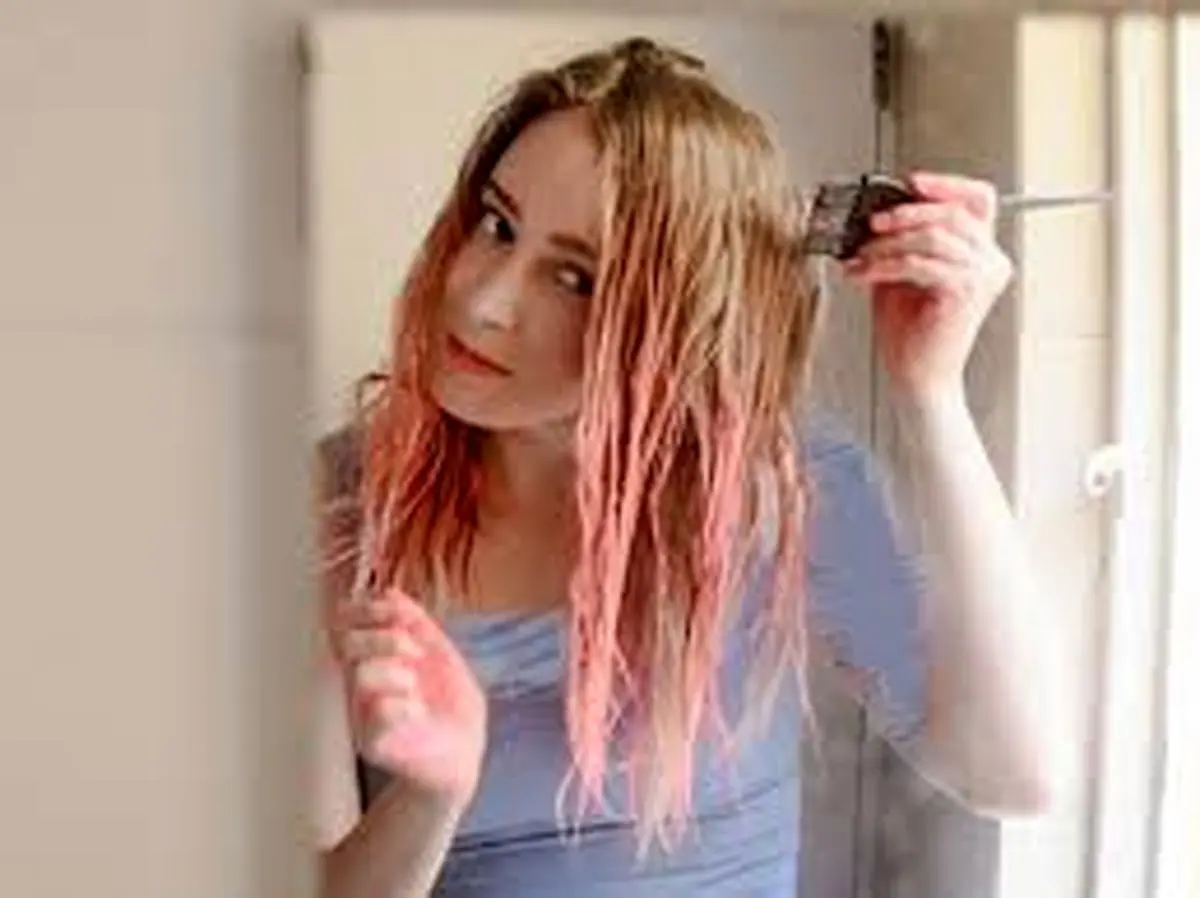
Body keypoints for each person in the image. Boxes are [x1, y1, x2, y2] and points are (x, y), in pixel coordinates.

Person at [312, 36, 1070, 898]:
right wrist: (429, 796)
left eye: (576, 278)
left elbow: (1012, 775)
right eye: (497, 225)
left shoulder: (783, 483)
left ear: (680, 319)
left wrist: (931, 392)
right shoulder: (339, 502)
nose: (484, 301)